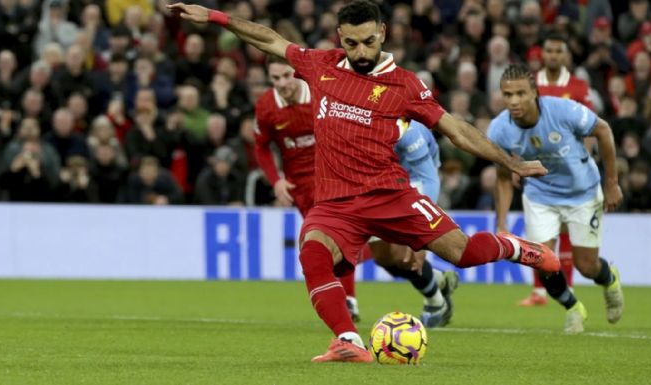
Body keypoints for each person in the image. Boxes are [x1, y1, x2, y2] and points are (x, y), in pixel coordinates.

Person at [168, 0, 560, 363]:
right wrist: (216, 17)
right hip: (336, 204)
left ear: (383, 34)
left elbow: (455, 129)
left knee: (466, 254)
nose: (360, 52)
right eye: (351, 43)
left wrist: (512, 163)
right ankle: (348, 341)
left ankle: (518, 249)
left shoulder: (404, 84)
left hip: (390, 194)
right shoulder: (321, 65)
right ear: (340, 37)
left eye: (368, 42)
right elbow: (269, 39)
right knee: (312, 252)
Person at [253, 56, 457, 328]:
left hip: (408, 177)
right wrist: (276, 179)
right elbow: (261, 146)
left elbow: (427, 175)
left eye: (286, 76)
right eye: (275, 78)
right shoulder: (274, 106)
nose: (281, 84)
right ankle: (436, 286)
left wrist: (424, 232)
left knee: (393, 251)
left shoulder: (407, 129)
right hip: (342, 181)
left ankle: (358, 300)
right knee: (385, 256)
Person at [489, 64, 625, 333]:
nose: (513, 101)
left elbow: (604, 130)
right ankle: (573, 307)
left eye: (520, 93)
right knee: (541, 261)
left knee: (587, 266)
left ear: (534, 93)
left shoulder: (562, 110)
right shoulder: (499, 129)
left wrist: (612, 183)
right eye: (507, 95)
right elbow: (503, 177)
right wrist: (502, 224)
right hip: (540, 197)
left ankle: (609, 280)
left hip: (583, 192)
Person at [517, 32, 595, 307]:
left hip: (570, 169)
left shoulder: (578, 86)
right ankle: (539, 293)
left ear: (566, 55)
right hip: (537, 169)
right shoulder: (528, 84)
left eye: (558, 51)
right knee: (540, 234)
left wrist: (583, 161)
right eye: (548, 51)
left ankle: (567, 287)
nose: (552, 56)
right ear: (542, 54)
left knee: (567, 232)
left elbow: (589, 126)